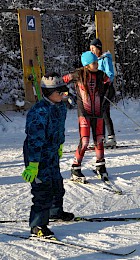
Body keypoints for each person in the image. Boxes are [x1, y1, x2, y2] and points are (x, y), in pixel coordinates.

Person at [22, 72, 74, 238]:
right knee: (42, 190)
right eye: (60, 93)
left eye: (64, 92)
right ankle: (37, 225)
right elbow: (34, 141)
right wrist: (33, 164)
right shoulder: (39, 112)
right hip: (37, 155)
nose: (64, 95)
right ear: (48, 93)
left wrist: (59, 145)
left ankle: (55, 211)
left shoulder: (60, 107)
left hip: (52, 152)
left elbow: (60, 129)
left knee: (57, 184)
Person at [63, 51, 111, 182]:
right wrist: (67, 95)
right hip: (84, 112)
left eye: (97, 62)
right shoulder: (78, 74)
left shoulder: (101, 75)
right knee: (84, 140)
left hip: (98, 111)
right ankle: (75, 168)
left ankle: (100, 166)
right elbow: (61, 82)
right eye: (94, 63)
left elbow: (109, 82)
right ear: (86, 64)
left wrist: (106, 97)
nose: (96, 65)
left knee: (99, 139)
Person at [89, 38, 117, 148]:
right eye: (90, 49)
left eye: (93, 48)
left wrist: (104, 82)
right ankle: (104, 138)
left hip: (107, 88)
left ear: (98, 48)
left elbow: (110, 74)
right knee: (102, 113)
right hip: (100, 89)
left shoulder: (105, 58)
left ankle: (108, 138)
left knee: (102, 112)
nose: (92, 51)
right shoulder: (94, 61)